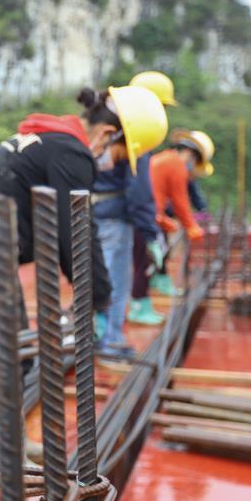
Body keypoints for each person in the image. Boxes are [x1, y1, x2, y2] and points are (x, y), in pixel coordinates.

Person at [0, 85, 167, 438]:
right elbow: (75, 231)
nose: (111, 161)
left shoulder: (52, 139)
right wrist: (99, 298)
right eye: (118, 154)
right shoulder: (72, 153)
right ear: (108, 133)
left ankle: (0, 440)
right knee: (14, 354)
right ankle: (6, 447)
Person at [91, 141, 164, 356]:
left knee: (98, 277)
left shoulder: (101, 135)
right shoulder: (137, 140)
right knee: (115, 282)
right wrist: (150, 232)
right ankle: (110, 341)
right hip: (115, 218)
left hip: (91, 212)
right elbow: (139, 191)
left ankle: (97, 336)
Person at [125, 70, 178, 324]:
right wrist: (149, 227)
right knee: (140, 260)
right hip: (132, 216)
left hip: (130, 214)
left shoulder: (127, 133)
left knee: (132, 262)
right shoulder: (139, 140)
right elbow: (140, 190)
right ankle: (136, 307)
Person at [138, 130, 215, 299]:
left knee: (155, 249)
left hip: (149, 212)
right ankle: (154, 287)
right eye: (194, 160)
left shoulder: (164, 158)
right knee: (157, 251)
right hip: (150, 214)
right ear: (189, 153)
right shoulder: (176, 164)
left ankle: (156, 280)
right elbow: (180, 200)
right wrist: (191, 226)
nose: (192, 164)